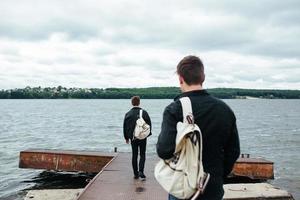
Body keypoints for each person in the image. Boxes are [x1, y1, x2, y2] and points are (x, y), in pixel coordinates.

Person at [156, 55, 240, 200]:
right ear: (203, 77)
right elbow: (233, 151)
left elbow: (164, 151)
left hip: (184, 188)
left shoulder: (175, 110)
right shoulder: (225, 110)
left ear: (180, 79)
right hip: (212, 186)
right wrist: (218, 175)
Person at [123, 96, 152, 180]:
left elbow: (125, 127)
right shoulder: (144, 112)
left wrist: (126, 137)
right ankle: (141, 171)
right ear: (139, 102)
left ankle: (135, 174)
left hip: (133, 138)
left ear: (132, 103)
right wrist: (147, 135)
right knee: (142, 154)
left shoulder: (128, 114)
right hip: (143, 137)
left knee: (134, 155)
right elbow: (149, 125)